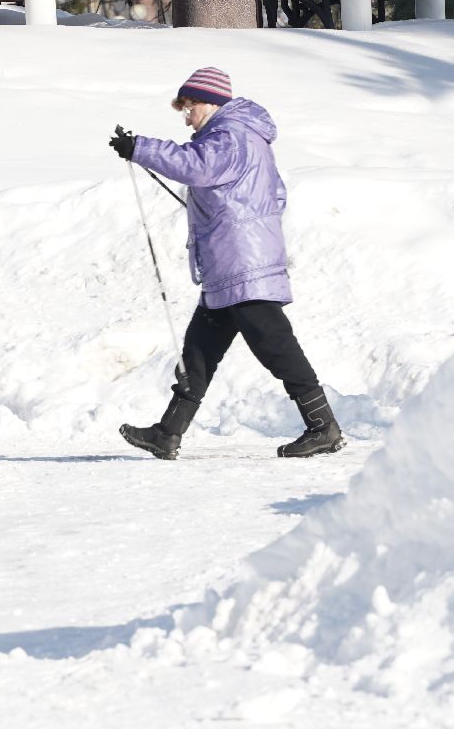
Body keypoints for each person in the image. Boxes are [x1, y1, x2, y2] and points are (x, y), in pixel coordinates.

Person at [108, 66, 345, 460]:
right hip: (233, 258)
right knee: (198, 348)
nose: (187, 117)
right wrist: (229, 215)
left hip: (242, 262)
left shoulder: (229, 135)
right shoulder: (244, 136)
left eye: (189, 107)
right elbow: (274, 194)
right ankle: (168, 433)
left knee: (275, 345)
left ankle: (323, 426)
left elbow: (195, 166)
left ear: (210, 101)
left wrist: (141, 148)